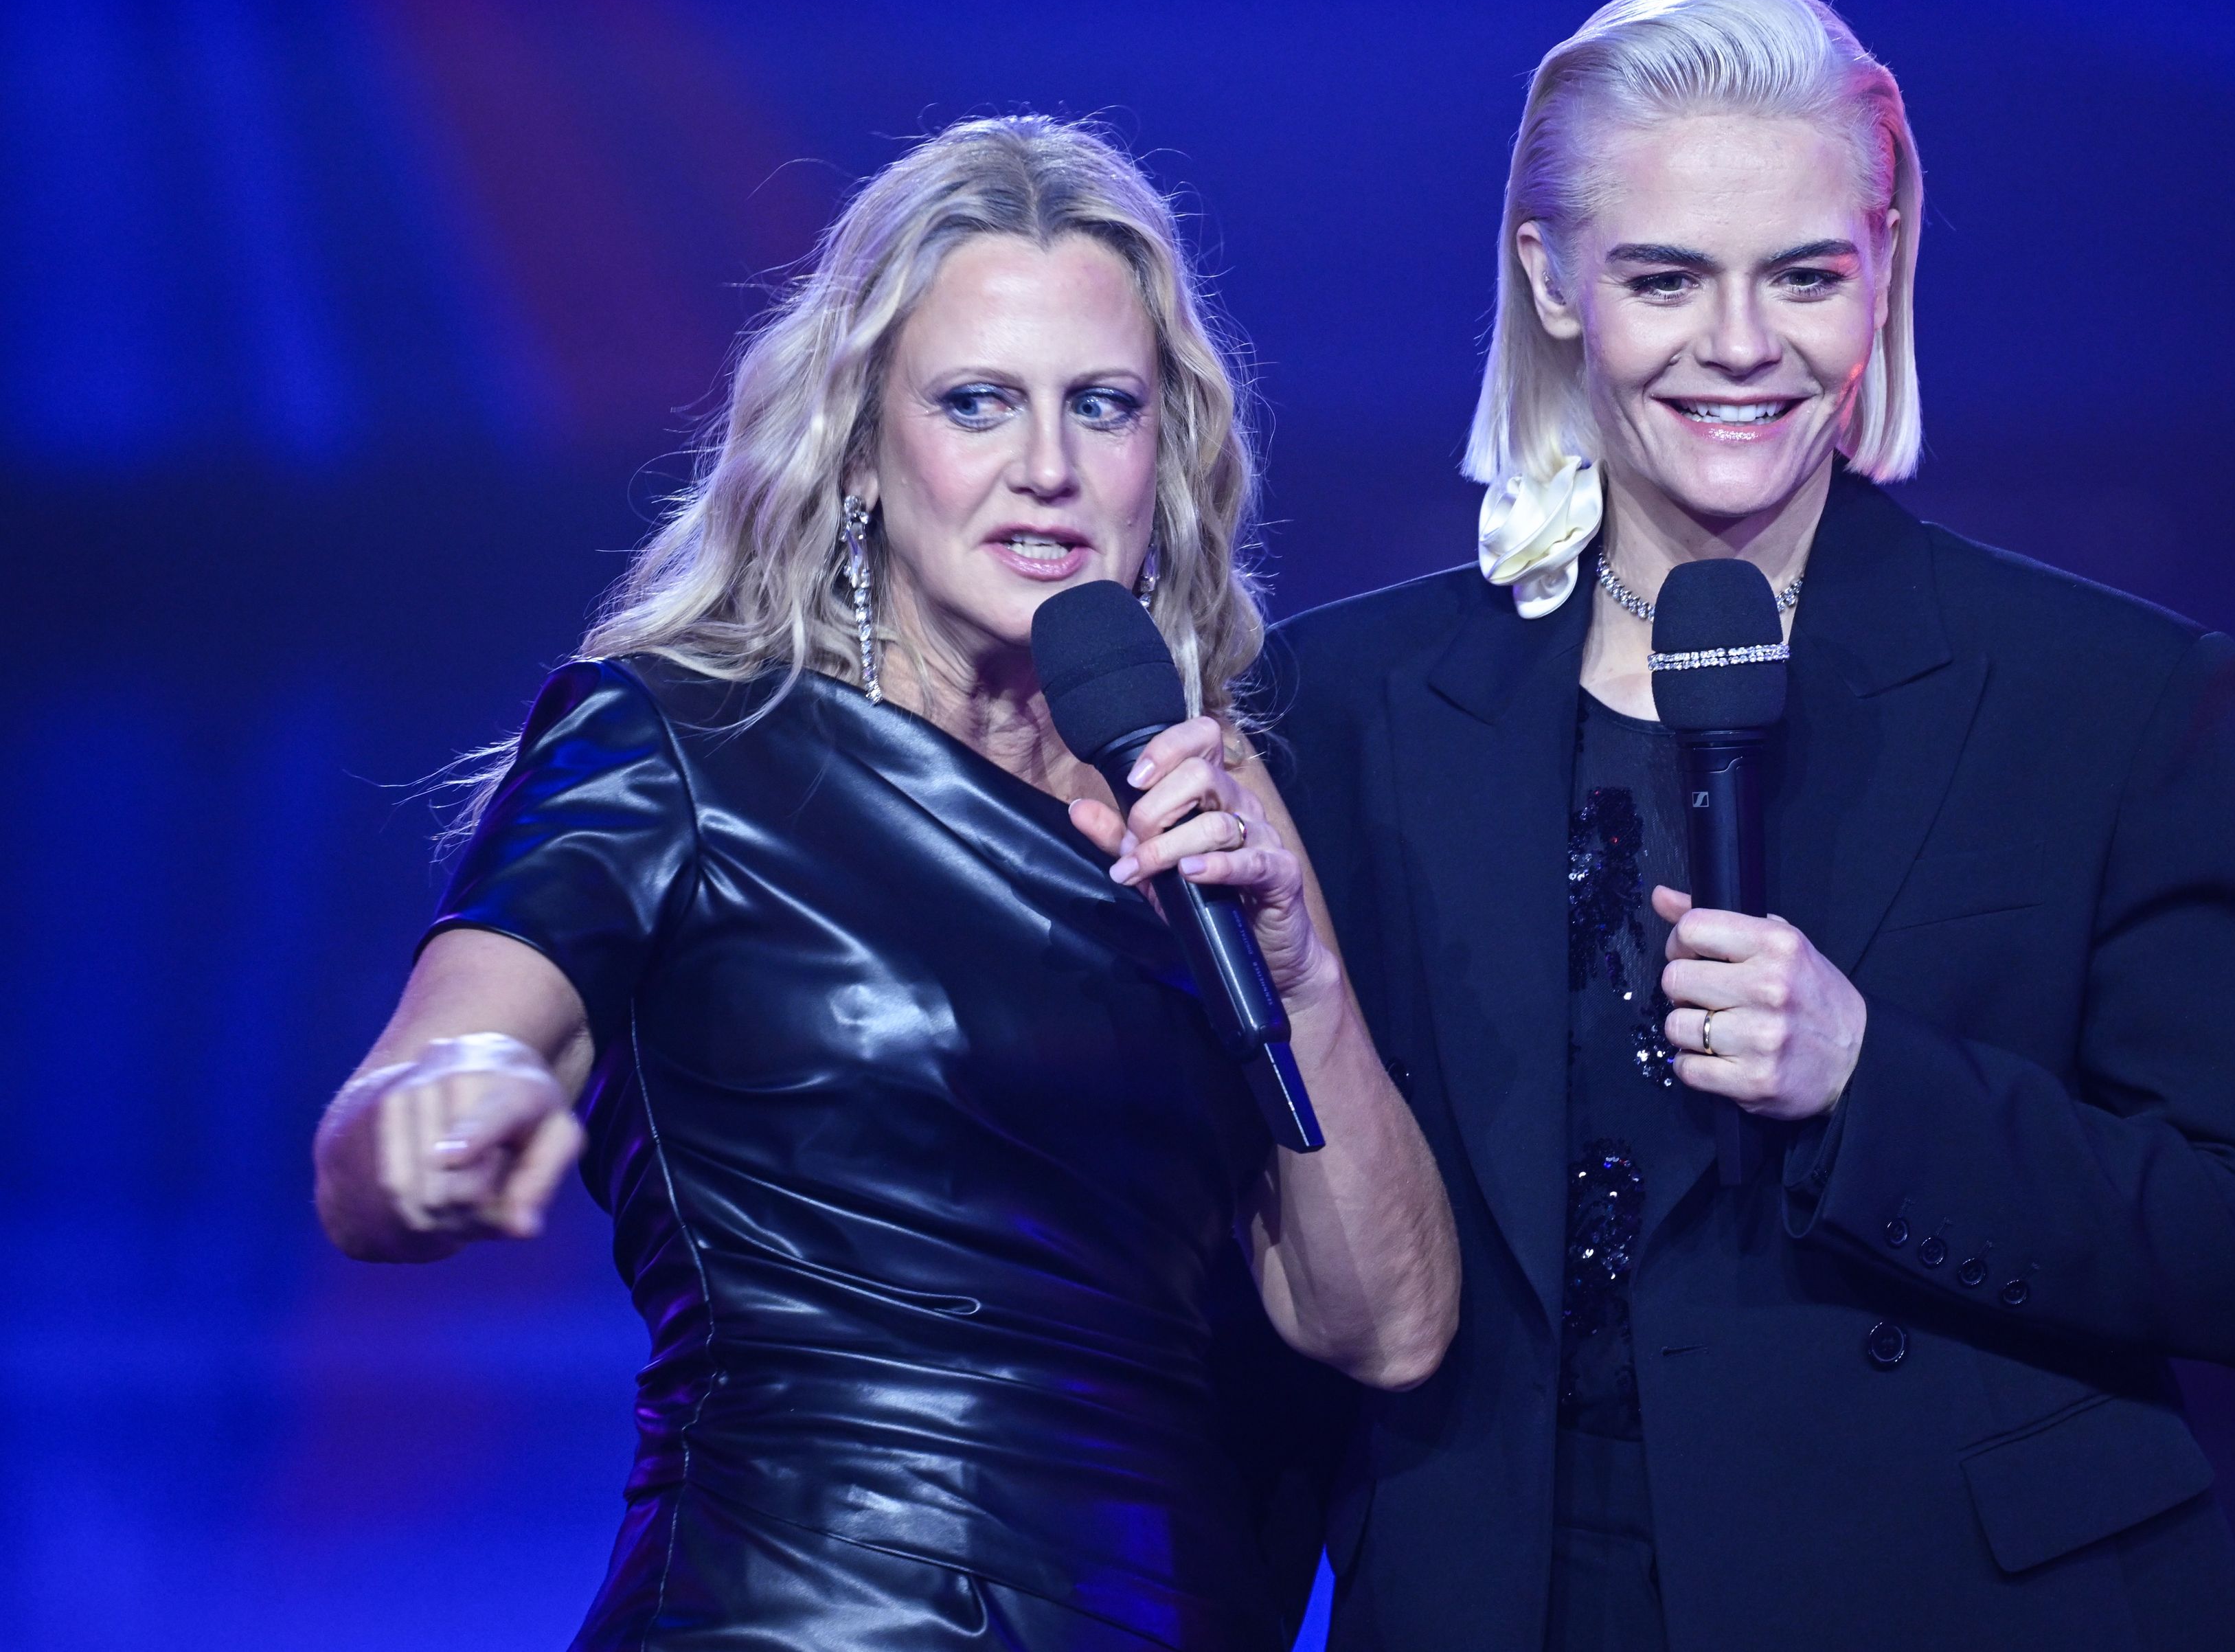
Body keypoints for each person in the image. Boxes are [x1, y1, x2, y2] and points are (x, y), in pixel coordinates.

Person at [1251, 0, 2235, 1649]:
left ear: (1882, 259)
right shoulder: (1345, 706)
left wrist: (1865, 1081)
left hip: (1956, 1601)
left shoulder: (2093, 693)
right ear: (1549, 277)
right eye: (1664, 277)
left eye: (1804, 274)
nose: (1740, 346)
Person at [312, 115, 1457, 1652]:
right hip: (799, 1608)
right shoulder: (681, 741)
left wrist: (1304, 970)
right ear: (859, 445)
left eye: (1099, 405)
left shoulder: (1215, 816)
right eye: (977, 402)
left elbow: (1383, 1327)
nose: (1044, 466)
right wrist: (451, 1102)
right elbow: (438, 1062)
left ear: (1162, 457)